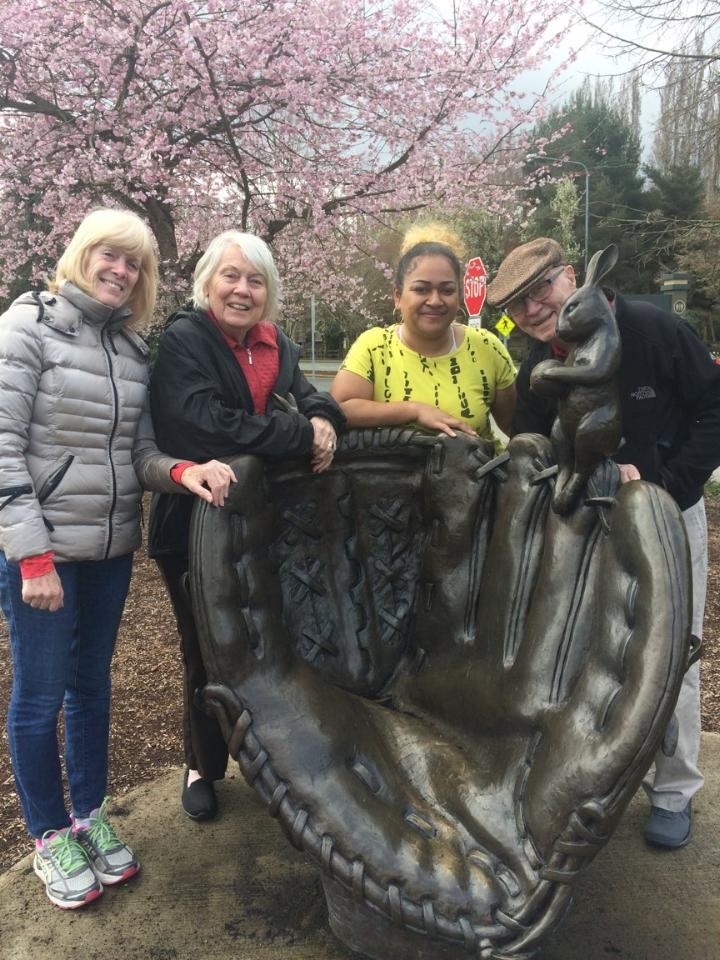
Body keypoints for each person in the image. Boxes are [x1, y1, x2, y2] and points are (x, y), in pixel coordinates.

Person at [0, 208, 235, 910]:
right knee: (39, 696)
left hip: (107, 551)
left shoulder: (131, 351)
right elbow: (3, 447)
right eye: (110, 255)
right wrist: (32, 557)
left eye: (134, 264)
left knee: (92, 688)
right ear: (81, 255)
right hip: (42, 553)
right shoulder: (27, 328)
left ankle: (89, 816)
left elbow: (137, 454)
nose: (121, 271)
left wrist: (182, 472)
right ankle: (48, 833)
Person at [487, 236, 720, 849]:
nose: (534, 309)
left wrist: (666, 477)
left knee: (672, 651)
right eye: (518, 304)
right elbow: (533, 437)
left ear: (572, 277)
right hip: (585, 524)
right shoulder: (538, 363)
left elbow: (713, 407)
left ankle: (672, 790)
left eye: (542, 290)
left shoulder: (651, 328)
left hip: (667, 513)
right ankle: (590, 773)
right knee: (587, 646)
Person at [148, 230, 345, 823]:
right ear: (207, 282)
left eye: (255, 280)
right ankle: (202, 765)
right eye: (231, 276)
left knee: (273, 645)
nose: (242, 289)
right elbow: (204, 428)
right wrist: (297, 435)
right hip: (193, 525)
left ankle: (272, 759)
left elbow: (312, 397)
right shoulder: (186, 339)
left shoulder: (277, 343)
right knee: (207, 651)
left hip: (264, 523)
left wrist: (324, 419)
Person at [331, 225, 516, 444]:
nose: (435, 301)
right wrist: (414, 410)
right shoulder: (374, 346)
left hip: (477, 475)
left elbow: (517, 426)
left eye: (447, 290)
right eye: (422, 289)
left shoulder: (487, 347)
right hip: (391, 477)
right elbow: (340, 409)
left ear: (459, 296)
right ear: (398, 296)